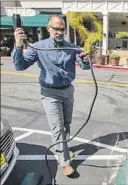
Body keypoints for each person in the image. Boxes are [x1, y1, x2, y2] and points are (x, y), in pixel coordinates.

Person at [11, 14, 91, 176]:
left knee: (66, 124)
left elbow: (85, 66)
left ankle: (65, 148)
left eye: (62, 29)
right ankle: (64, 162)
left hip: (68, 90)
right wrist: (18, 47)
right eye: (56, 28)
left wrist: (86, 59)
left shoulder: (72, 47)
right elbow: (20, 66)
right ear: (49, 28)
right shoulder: (38, 47)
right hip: (49, 93)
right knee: (57, 128)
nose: (59, 32)